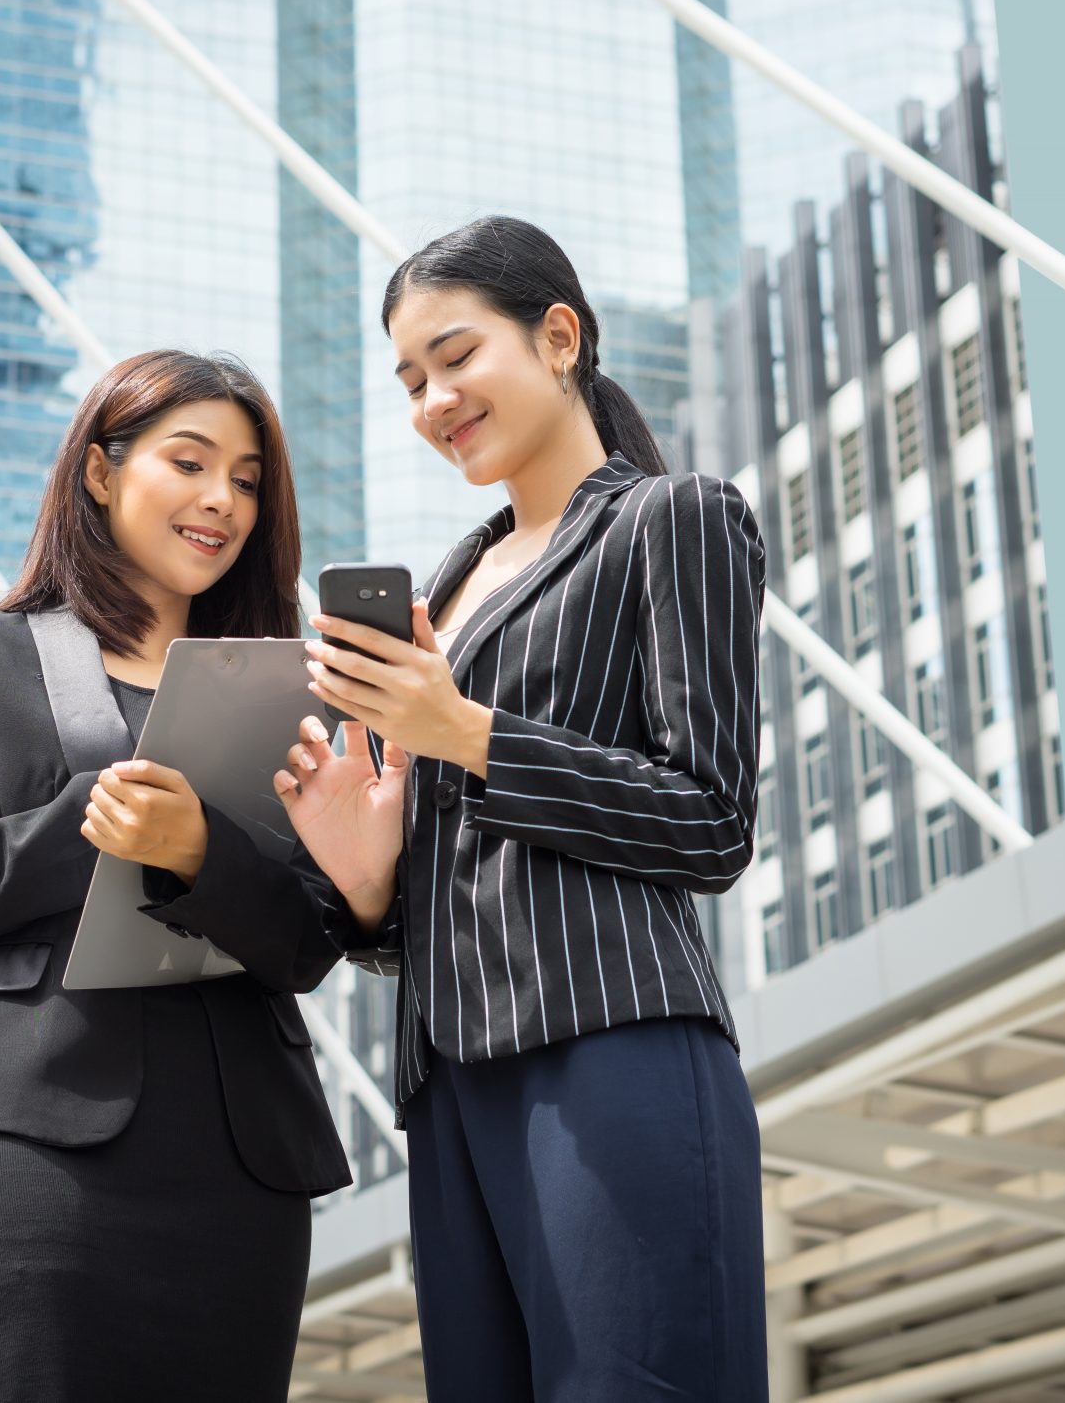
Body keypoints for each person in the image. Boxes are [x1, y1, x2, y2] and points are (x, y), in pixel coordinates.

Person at [275, 216, 771, 1401]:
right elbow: (444, 881)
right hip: (448, 1083)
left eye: (454, 357)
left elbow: (710, 819)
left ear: (559, 336)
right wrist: (363, 877)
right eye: (408, 381)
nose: (432, 399)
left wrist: (466, 731)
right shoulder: (445, 581)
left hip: (611, 1042)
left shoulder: (673, 517)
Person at [0, 349, 352, 1402]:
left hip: (242, 1152)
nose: (219, 498)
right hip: (32, 1132)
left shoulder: (290, 690)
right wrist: (87, 824)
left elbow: (312, 939)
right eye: (189, 461)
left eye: (245, 478)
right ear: (100, 471)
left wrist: (198, 851)